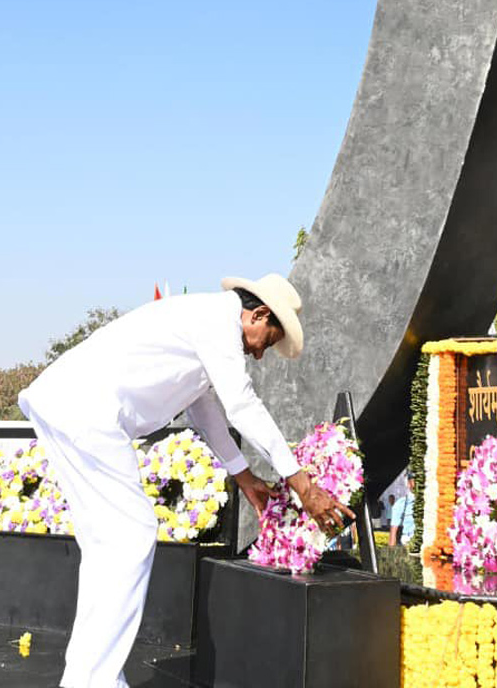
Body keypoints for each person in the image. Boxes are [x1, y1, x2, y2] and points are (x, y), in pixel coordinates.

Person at [18, 273, 353, 688]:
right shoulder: (217, 319)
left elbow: (203, 407)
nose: (260, 354)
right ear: (258, 314)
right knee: (131, 536)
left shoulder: (205, 320)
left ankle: (87, 678)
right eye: (265, 341)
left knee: (109, 547)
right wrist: (304, 485)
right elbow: (242, 405)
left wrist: (245, 478)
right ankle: (95, 681)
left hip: (66, 403)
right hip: (88, 411)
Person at [389, 477, 417, 547]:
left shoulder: (431, 500)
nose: (417, 482)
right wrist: (391, 553)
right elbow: (393, 532)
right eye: (414, 480)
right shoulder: (401, 503)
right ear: (408, 484)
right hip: (408, 540)